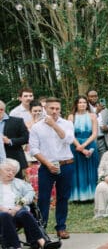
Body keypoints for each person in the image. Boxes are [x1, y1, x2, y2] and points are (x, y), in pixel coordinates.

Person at [29, 97, 75, 239]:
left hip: (66, 164)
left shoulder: (67, 124)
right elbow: (34, 150)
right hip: (47, 166)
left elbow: (68, 140)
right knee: (43, 198)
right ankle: (41, 230)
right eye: (52, 108)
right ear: (45, 109)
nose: (54, 111)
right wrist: (48, 164)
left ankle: (61, 227)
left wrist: (54, 125)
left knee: (63, 197)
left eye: (57, 109)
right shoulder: (37, 127)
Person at [0, 160, 59, 249]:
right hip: (2, 215)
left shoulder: (19, 183)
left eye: (13, 172)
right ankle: (15, 248)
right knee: (4, 215)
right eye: (8, 170)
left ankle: (43, 243)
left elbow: (30, 193)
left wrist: (19, 206)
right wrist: (2, 208)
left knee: (25, 213)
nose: (11, 173)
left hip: (17, 212)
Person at [68, 95, 99, 202]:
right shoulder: (71, 117)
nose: (82, 104)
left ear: (87, 104)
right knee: (77, 170)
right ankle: (78, 196)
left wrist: (84, 145)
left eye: (84, 102)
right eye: (80, 102)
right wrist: (79, 147)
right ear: (76, 104)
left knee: (91, 169)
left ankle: (92, 195)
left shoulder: (92, 116)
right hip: (75, 145)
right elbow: (70, 135)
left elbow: (95, 134)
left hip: (89, 144)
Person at [0, 99, 30, 180]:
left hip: (13, 161)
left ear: (3, 109)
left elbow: (26, 138)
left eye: (1, 109)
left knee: (15, 187)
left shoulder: (17, 121)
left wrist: (10, 141)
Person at [86, 89, 108, 154]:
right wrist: (96, 112)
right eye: (91, 96)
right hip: (91, 140)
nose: (94, 98)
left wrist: (107, 127)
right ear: (87, 97)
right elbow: (86, 124)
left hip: (103, 139)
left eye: (95, 96)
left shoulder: (104, 109)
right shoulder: (85, 109)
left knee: (103, 161)